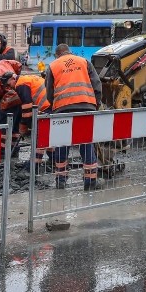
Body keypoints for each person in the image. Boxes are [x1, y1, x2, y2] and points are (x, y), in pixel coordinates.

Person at [45, 43, 102, 190]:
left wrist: (56, 105)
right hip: (86, 105)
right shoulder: (83, 62)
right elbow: (97, 84)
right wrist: (95, 104)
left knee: (62, 143)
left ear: (57, 55)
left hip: (63, 108)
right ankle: (90, 181)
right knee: (86, 142)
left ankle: (61, 180)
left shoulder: (53, 66)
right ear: (69, 52)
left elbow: (49, 92)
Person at [0, 71, 52, 173]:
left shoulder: (20, 84)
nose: (9, 87)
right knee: (47, 137)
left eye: (8, 84)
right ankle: (54, 159)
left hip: (46, 108)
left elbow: (27, 108)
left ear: (13, 79)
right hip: (50, 106)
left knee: (40, 137)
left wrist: (24, 126)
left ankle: (33, 167)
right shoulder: (27, 79)